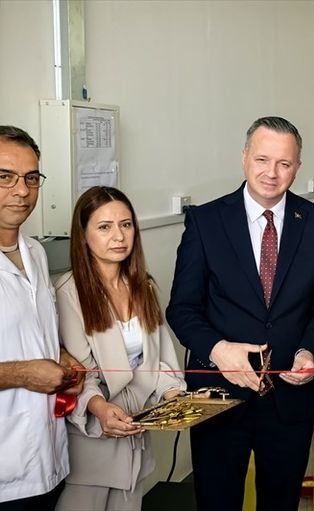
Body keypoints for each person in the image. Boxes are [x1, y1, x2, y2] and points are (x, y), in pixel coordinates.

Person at [166, 117, 314, 511]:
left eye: (284, 163)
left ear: (298, 167)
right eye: (262, 159)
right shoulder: (206, 221)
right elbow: (182, 308)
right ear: (245, 157)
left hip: (289, 400)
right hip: (218, 396)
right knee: (217, 501)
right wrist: (218, 350)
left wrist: (309, 351)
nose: (272, 173)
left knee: (281, 502)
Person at [53, 186, 186, 510]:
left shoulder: (144, 287)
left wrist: (177, 398)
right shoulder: (68, 293)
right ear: (83, 235)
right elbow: (80, 375)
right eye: (105, 227)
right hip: (91, 444)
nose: (119, 236)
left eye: (126, 225)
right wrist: (99, 407)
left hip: (136, 437)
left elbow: (159, 361)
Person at [0, 126, 84, 510]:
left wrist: (61, 356)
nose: (22, 191)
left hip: (47, 457)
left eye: (31, 178)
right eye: (5, 177)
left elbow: (33, 332)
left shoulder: (35, 252)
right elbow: (22, 363)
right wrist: (22, 374)